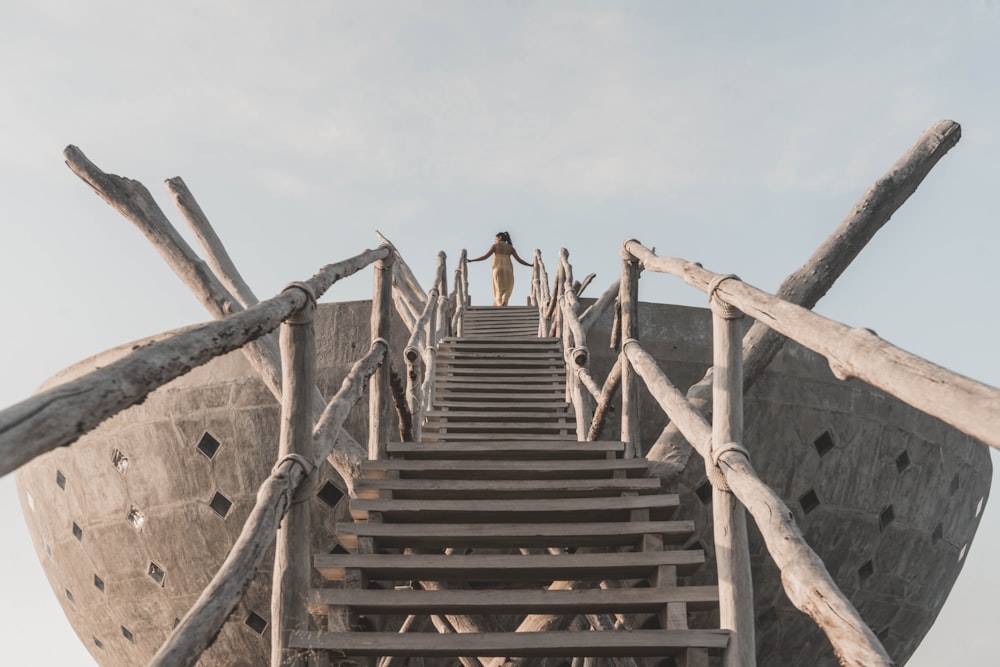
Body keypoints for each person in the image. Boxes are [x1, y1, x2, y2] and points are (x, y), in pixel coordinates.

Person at [468, 231, 533, 306]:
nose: (495, 240)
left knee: (499, 290)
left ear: (500, 237)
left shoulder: (495, 246)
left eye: (496, 238)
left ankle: (499, 305)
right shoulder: (510, 248)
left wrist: (472, 260)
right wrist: (530, 265)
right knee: (508, 289)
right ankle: (504, 300)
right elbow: (519, 260)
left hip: (497, 269)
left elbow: (485, 257)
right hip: (508, 270)